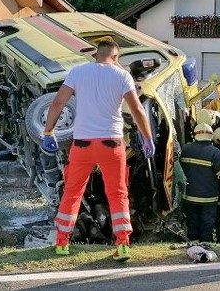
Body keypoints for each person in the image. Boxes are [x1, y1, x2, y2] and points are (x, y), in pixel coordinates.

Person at [42, 38, 155, 261]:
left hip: (83, 144)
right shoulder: (122, 76)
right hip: (112, 144)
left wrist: (48, 132)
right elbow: (137, 111)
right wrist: (147, 138)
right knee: (117, 193)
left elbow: (57, 103)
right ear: (116, 57)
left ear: (96, 54)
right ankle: (122, 244)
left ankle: (62, 243)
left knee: (73, 191)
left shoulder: (78, 72)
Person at [180, 123, 220, 242]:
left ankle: (193, 244)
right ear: (211, 136)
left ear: (195, 135)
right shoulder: (215, 153)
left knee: (192, 223)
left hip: (189, 196)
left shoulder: (185, 149)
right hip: (208, 198)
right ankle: (206, 244)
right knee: (207, 224)